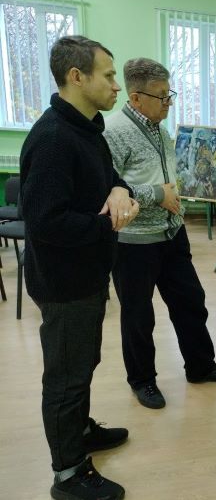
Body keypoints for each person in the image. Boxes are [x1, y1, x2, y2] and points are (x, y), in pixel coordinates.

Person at [20, 36, 139, 500]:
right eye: (108, 76)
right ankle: (68, 473)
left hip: (87, 275)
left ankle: (81, 432)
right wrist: (108, 222)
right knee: (67, 377)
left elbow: (110, 179)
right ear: (77, 77)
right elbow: (46, 222)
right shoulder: (53, 138)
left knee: (83, 363)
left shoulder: (88, 130)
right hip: (64, 283)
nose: (116, 85)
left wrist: (119, 190)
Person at [104, 58, 216, 410]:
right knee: (138, 316)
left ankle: (201, 366)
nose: (169, 102)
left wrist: (175, 194)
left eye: (170, 94)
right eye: (162, 96)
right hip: (134, 243)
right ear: (136, 97)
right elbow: (108, 189)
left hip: (172, 234)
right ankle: (142, 381)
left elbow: (162, 177)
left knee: (191, 302)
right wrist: (157, 195)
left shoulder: (160, 129)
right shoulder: (113, 132)